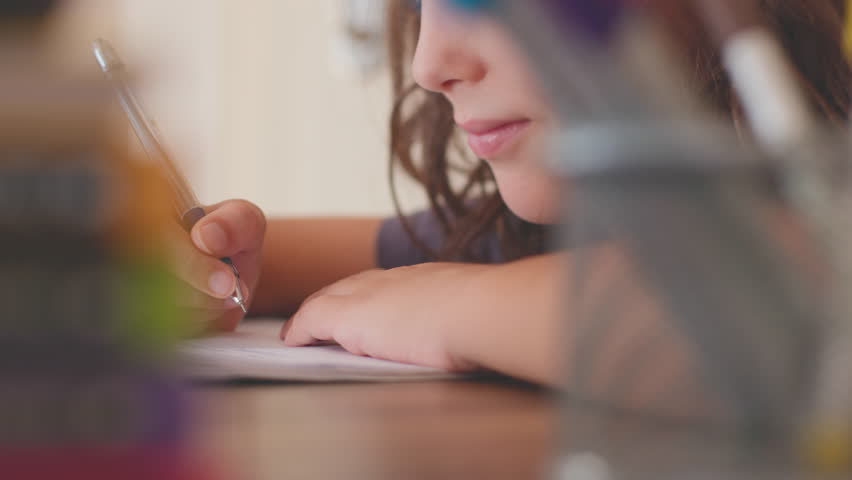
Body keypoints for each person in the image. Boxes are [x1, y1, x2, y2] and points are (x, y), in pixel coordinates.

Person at [172, 0, 852, 397]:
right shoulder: (557, 222)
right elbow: (285, 263)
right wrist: (195, 265)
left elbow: (787, 304)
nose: (428, 66)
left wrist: (455, 305)